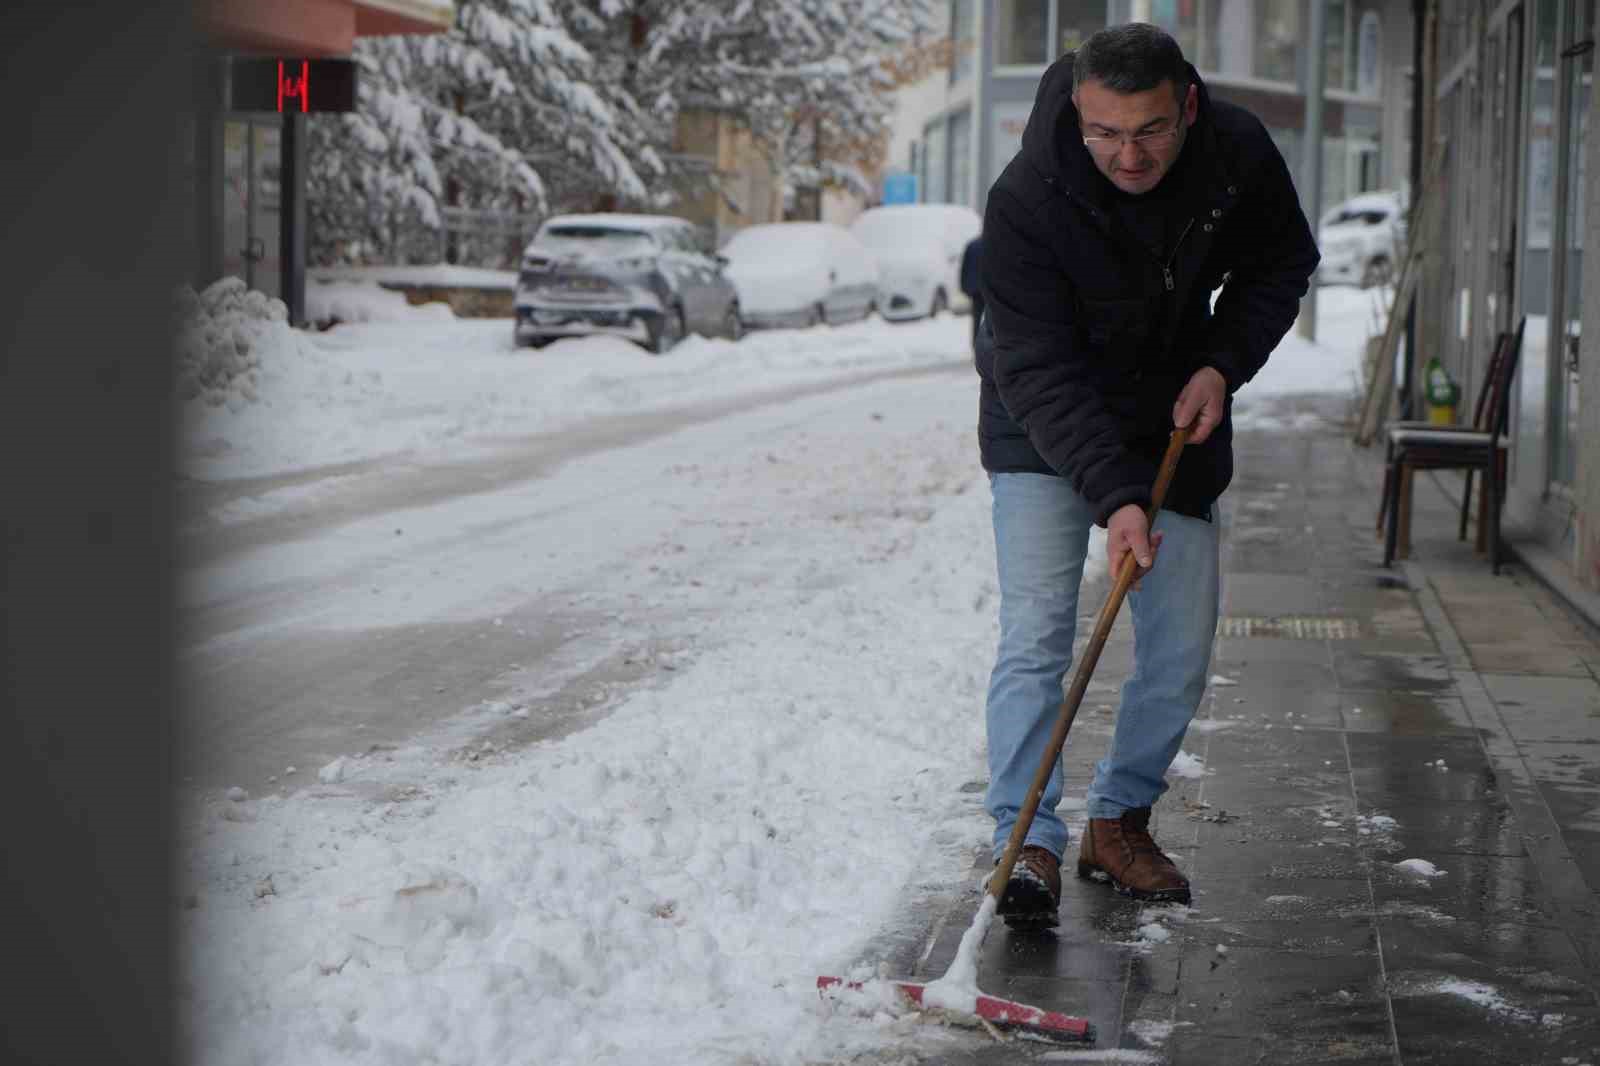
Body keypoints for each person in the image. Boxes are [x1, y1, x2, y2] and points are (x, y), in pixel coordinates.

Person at [974, 23, 1318, 925]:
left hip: (1175, 406)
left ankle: (1119, 819)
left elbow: (1282, 263)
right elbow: (1036, 368)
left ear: (1188, 105)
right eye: (1106, 134)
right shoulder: (1026, 200)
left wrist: (1221, 361)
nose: (1128, 156)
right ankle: (1030, 838)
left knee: (1180, 639)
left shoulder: (1236, 151)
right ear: (1079, 114)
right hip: (1044, 419)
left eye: (1152, 131)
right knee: (1039, 633)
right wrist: (1116, 496)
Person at [959, 235, 985, 352]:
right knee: (992, 317)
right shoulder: (991, 244)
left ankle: (975, 344)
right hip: (988, 287)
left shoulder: (972, 245)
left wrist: (964, 286)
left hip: (975, 289)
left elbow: (964, 268)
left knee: (976, 317)